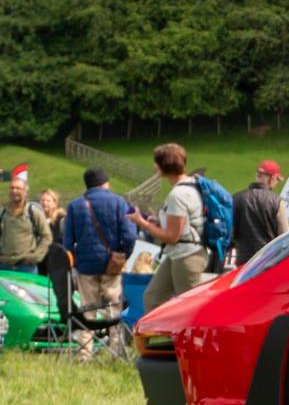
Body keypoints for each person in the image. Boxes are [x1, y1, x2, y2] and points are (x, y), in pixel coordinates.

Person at [62, 168, 137, 361]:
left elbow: (68, 241)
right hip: (112, 265)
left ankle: (84, 352)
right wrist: (123, 256)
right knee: (115, 309)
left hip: (86, 266)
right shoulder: (120, 202)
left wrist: (75, 262)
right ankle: (117, 351)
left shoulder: (75, 205)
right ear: (106, 183)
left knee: (88, 309)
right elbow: (130, 235)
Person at [131, 143, 208, 311]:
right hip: (178, 254)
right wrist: (158, 221)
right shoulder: (191, 185)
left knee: (189, 308)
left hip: (187, 256)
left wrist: (142, 223)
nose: (154, 166)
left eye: (156, 162)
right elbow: (184, 223)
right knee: (152, 298)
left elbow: (172, 236)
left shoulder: (178, 194)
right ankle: (162, 336)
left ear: (164, 165)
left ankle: (190, 337)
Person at [232, 160, 289, 266]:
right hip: (268, 259)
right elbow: (285, 235)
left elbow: (231, 232)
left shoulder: (236, 198)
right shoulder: (277, 201)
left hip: (242, 260)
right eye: (277, 180)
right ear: (272, 179)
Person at [0, 173, 51, 274]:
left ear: (25, 192)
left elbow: (47, 236)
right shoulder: (2, 213)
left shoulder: (33, 212)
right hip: (4, 266)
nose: (14, 191)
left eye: (18, 188)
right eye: (12, 188)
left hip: (26, 267)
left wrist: (36, 256)